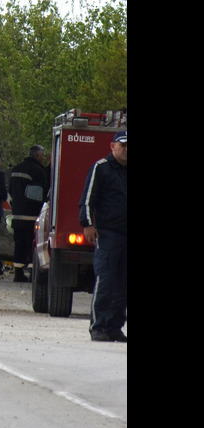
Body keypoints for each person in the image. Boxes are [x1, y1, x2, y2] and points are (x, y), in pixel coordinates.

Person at [79, 130, 127, 343]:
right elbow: (88, 200)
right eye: (123, 145)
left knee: (122, 284)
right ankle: (98, 326)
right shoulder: (101, 168)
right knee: (106, 280)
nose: (126, 149)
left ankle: (115, 327)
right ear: (112, 146)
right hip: (108, 235)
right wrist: (87, 225)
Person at [8, 145, 49, 282]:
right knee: (32, 245)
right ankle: (32, 273)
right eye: (43, 155)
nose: (44, 158)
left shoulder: (16, 169)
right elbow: (42, 193)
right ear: (37, 155)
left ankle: (18, 273)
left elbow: (10, 191)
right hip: (32, 215)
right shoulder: (38, 171)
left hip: (17, 215)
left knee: (19, 244)